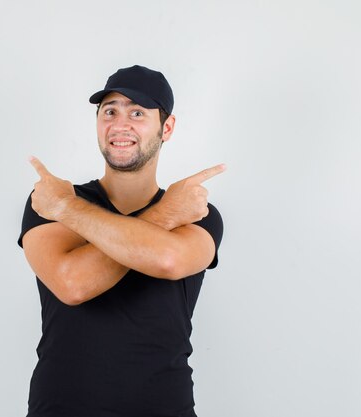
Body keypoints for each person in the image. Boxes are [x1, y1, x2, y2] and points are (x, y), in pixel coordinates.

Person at [18, 65, 225, 417]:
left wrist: (68, 209)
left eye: (138, 113)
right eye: (109, 111)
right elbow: (72, 283)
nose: (120, 124)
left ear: (167, 128)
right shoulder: (51, 201)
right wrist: (165, 217)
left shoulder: (196, 213)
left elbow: (168, 260)